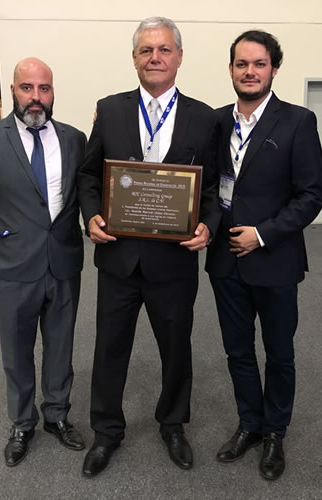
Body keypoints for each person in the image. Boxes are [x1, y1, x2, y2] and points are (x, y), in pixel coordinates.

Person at [77, 16, 219, 477]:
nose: (154, 57)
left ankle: (173, 423)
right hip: (118, 258)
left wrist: (209, 227)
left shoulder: (205, 117)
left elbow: (214, 188)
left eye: (163, 50)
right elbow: (88, 175)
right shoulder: (110, 109)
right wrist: (92, 214)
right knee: (109, 348)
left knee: (176, 347)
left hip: (174, 263)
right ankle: (106, 431)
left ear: (179, 57)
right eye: (145, 50)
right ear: (134, 58)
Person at [205, 30, 322, 480]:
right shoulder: (217, 122)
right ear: (231, 69)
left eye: (258, 64)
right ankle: (249, 424)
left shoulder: (297, 122)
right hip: (225, 262)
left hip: (273, 260)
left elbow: (312, 195)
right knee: (237, 351)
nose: (249, 72)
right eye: (241, 64)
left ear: (274, 69)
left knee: (279, 353)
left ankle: (275, 432)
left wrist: (262, 234)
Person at [0, 57, 87, 467]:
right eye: (27, 88)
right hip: (9, 269)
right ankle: (22, 423)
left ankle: (58, 415)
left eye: (44, 89)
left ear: (53, 93)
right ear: (12, 90)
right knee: (16, 351)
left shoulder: (73, 138)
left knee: (61, 347)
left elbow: (86, 194)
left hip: (63, 264)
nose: (36, 97)